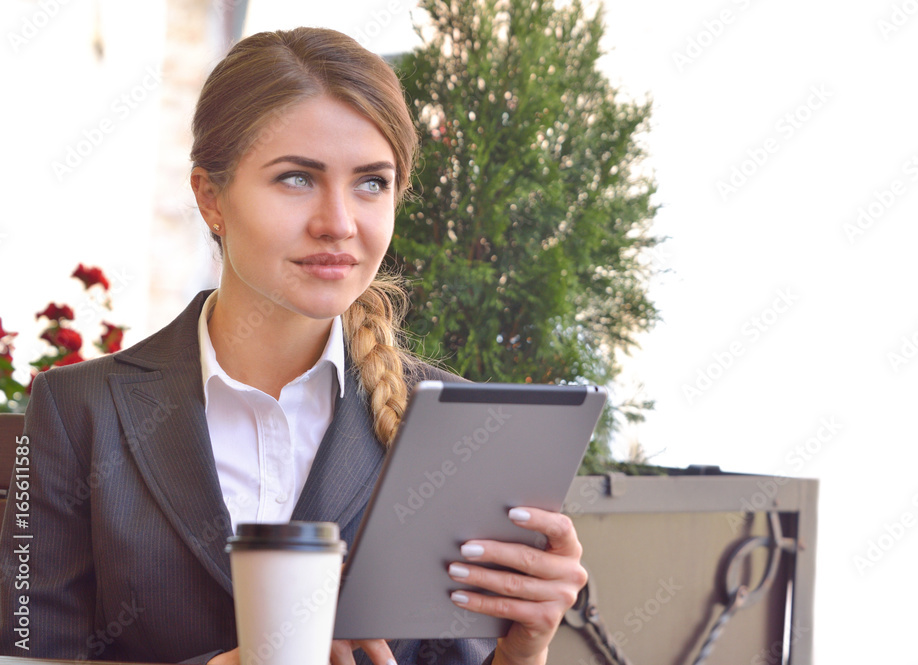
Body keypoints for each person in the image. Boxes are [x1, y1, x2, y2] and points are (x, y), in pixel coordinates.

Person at [0, 27, 587, 665]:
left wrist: (525, 649)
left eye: (371, 183)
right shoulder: (76, 411)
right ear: (209, 197)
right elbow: (26, 653)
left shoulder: (457, 426)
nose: (338, 222)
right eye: (297, 179)